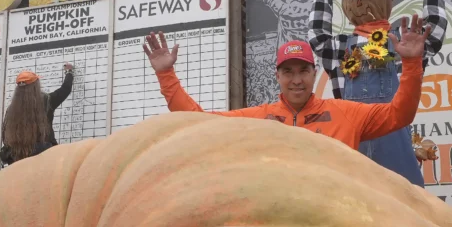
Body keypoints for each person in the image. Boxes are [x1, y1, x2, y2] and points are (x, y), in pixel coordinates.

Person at [142, 20, 430, 151]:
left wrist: (412, 64)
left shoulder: (347, 114)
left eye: (303, 71)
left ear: (314, 73)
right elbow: (199, 123)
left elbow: (399, 115)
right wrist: (166, 75)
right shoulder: (257, 119)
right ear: (277, 77)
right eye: (288, 72)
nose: (296, 80)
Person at [308, 0, 447, 186]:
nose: (355, 3)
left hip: (396, 142)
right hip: (352, 144)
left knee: (405, 208)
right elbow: (317, 34)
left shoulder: (402, 40)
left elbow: (434, 28)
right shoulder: (341, 47)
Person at [0, 63, 74, 166]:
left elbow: (5, 136)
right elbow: (65, 90)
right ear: (36, 86)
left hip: (17, 160)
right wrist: (69, 72)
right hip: (44, 158)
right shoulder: (46, 101)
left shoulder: (11, 110)